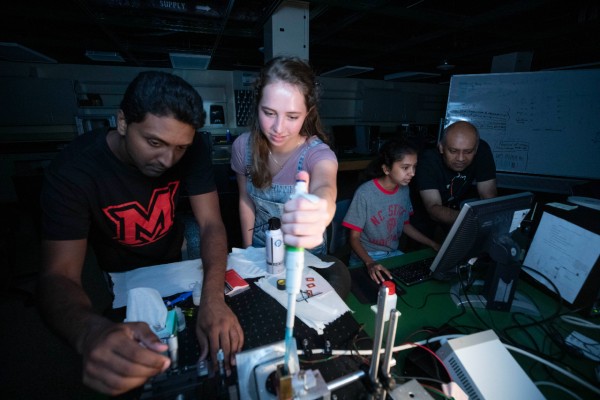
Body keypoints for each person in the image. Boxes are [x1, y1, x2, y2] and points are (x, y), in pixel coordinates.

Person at [38, 71, 243, 396]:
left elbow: (210, 225)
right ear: (122, 122)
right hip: (120, 278)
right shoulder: (73, 170)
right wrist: (90, 333)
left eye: (179, 148)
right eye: (154, 142)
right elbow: (58, 274)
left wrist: (213, 299)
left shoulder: (194, 149)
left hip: (172, 263)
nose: (167, 159)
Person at [230, 56, 338, 255]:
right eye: (269, 113)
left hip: (305, 254)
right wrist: (247, 251)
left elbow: (326, 187)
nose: (278, 128)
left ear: (308, 113)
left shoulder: (317, 153)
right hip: (260, 246)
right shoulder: (243, 147)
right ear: (257, 105)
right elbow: (245, 199)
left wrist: (321, 210)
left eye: (292, 116)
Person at [342, 139, 440, 284]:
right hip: (366, 257)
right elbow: (354, 238)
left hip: (392, 254)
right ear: (386, 169)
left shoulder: (404, 189)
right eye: (405, 167)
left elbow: (405, 225)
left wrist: (432, 243)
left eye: (414, 167)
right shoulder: (365, 193)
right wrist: (370, 263)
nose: (412, 173)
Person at [413, 120, 497, 235]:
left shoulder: (482, 150)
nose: (461, 159)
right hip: (420, 213)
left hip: (455, 208)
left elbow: (488, 196)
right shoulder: (428, 160)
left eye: (468, 152)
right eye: (453, 151)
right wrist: (473, 219)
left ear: (476, 149)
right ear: (441, 147)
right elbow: (433, 208)